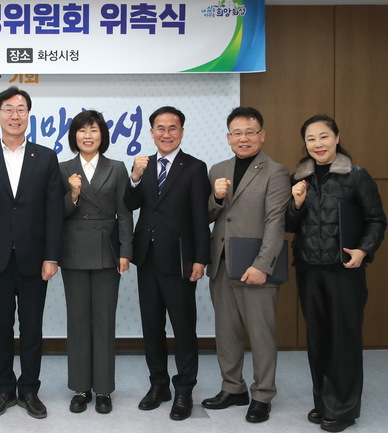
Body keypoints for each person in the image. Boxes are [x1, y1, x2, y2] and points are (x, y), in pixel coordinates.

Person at [0, 86, 63, 419]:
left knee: (32, 329)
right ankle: (4, 389)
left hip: (35, 258)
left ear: (28, 115)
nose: (15, 115)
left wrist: (52, 256)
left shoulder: (45, 156)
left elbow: (53, 210)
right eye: (8, 109)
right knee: (1, 329)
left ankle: (30, 390)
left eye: (21, 109)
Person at [285, 115, 385, 432]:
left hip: (344, 271)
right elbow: (288, 225)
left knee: (344, 339)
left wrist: (363, 250)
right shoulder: (299, 178)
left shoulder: (356, 176)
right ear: (305, 144)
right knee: (318, 339)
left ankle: (343, 409)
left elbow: (376, 220)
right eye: (311, 138)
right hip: (308, 269)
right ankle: (323, 402)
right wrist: (296, 203)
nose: (318, 144)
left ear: (337, 138)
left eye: (324, 136)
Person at [202, 107, 290, 423]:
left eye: (250, 132)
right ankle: (233, 388)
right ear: (228, 137)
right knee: (226, 331)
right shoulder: (218, 169)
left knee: (261, 333)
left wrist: (263, 265)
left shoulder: (276, 172)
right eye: (237, 133)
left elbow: (275, 222)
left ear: (261, 135)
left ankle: (263, 394)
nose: (243, 138)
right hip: (222, 262)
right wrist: (216, 197)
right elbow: (206, 215)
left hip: (256, 266)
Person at [123, 106, 210, 421]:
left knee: (184, 328)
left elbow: (201, 217)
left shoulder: (195, 168)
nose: (166, 133)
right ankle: (158, 384)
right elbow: (130, 203)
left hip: (180, 260)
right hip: (147, 258)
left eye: (173, 128)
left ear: (182, 132)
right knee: (152, 327)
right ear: (151, 132)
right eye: (160, 128)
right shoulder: (143, 165)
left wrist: (201, 258)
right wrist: (134, 177)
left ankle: (184, 389)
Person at [59, 110, 133, 414]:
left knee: (104, 321)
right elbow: (55, 213)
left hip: (107, 250)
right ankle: (80, 388)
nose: (87, 136)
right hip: (73, 251)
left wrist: (125, 251)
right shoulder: (62, 168)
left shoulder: (117, 168)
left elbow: (125, 213)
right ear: (73, 136)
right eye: (82, 131)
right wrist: (74, 195)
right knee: (77, 321)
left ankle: (103, 389)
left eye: (93, 130)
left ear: (102, 135)